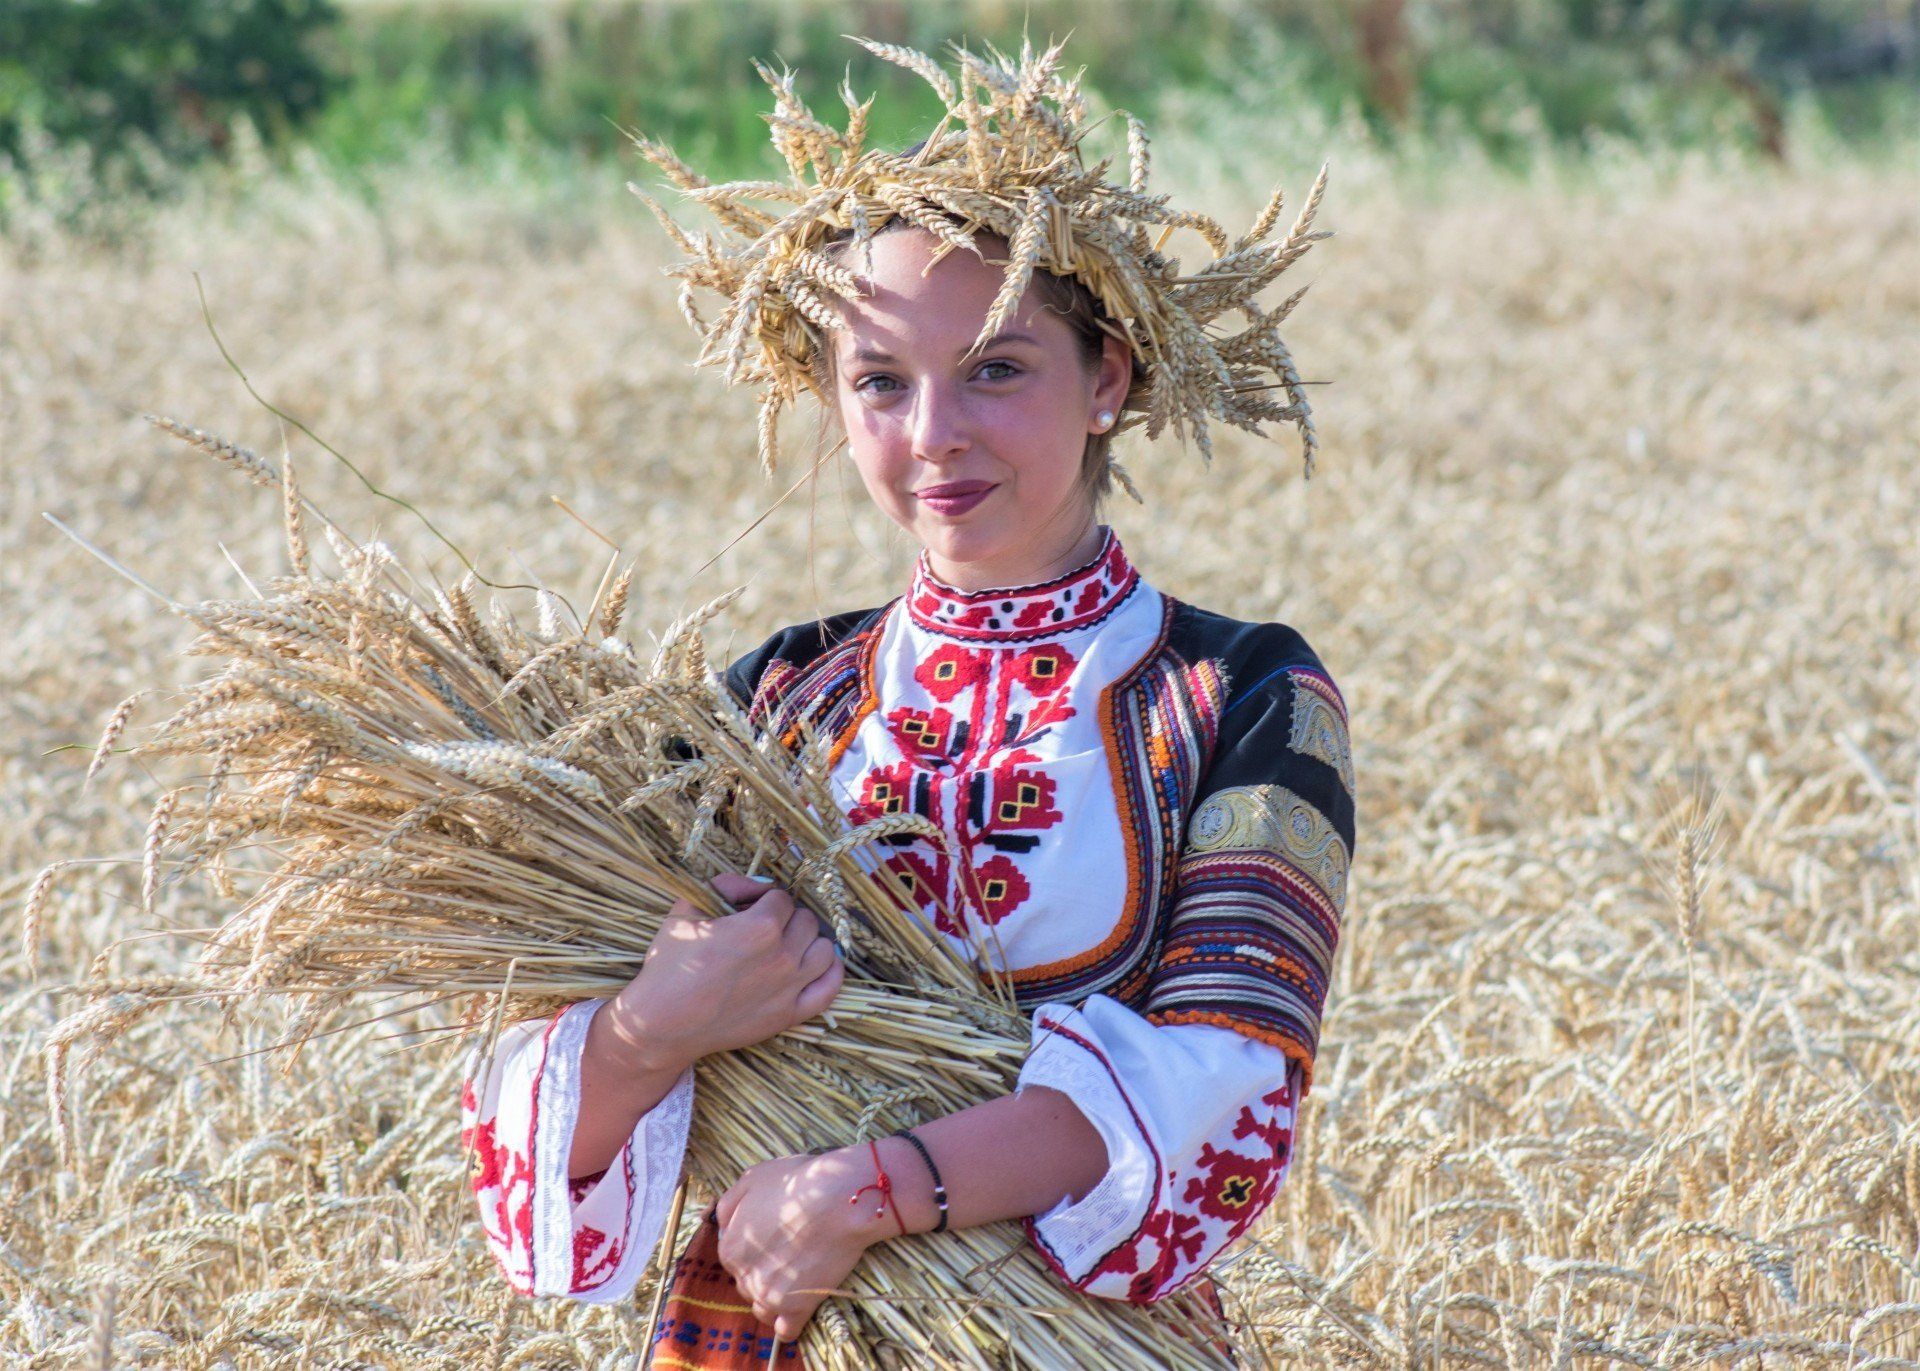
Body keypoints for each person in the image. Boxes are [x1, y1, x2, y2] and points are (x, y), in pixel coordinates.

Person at [459, 35, 1351, 1369]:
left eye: (996, 367)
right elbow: (541, 1139)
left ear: (1107, 379)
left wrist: (864, 1194)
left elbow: (1226, 1079)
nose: (934, 433)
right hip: (764, 1334)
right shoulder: (764, 704)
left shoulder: (1237, 697)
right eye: (879, 381)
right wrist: (656, 1027)